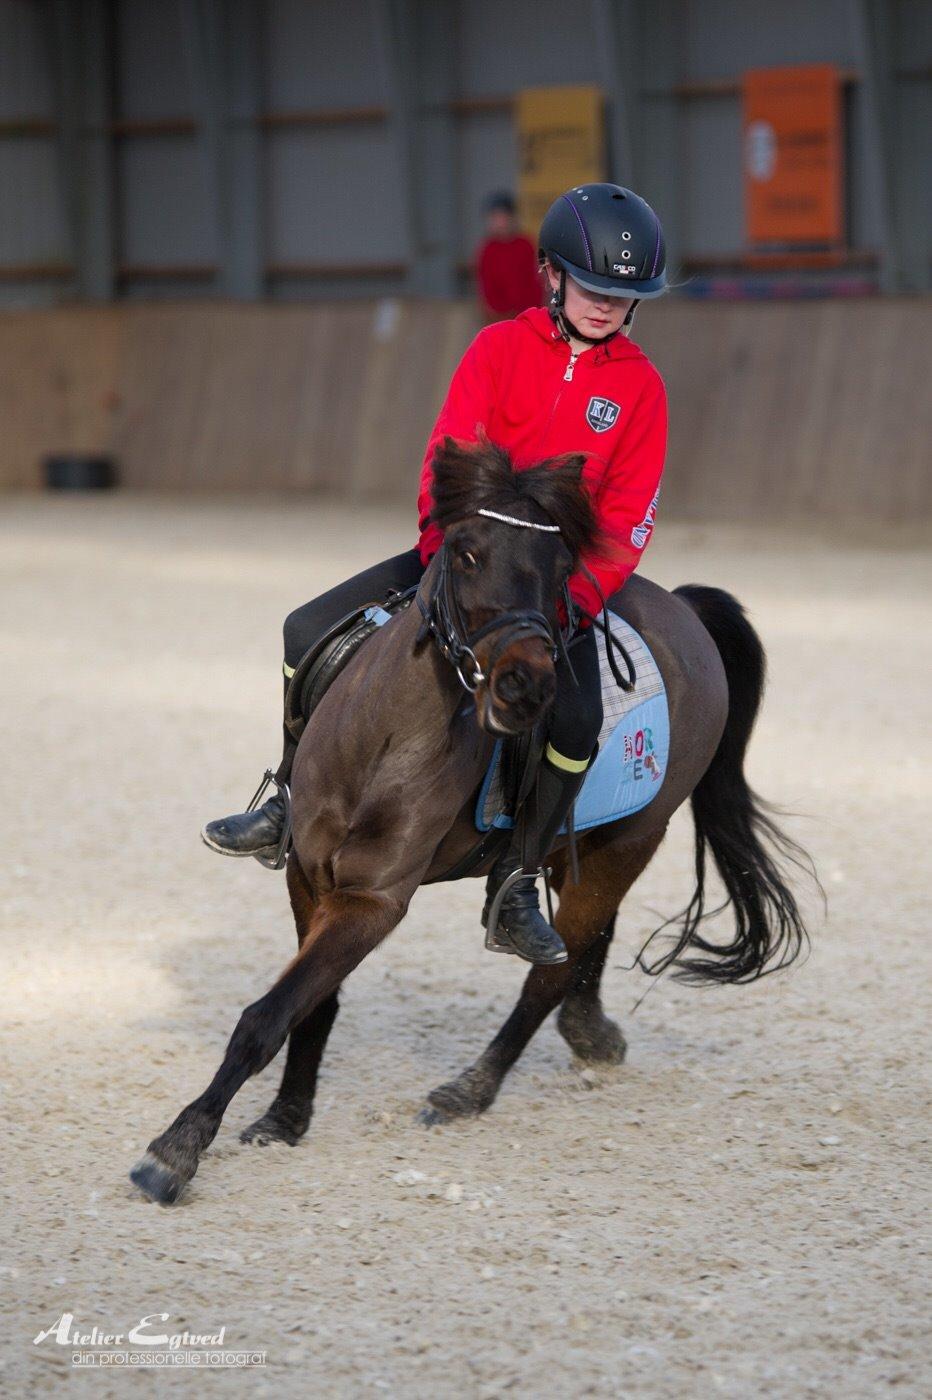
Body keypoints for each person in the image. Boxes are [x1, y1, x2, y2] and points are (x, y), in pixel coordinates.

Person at [203, 182, 669, 966]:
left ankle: (518, 879)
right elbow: (446, 456)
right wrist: (441, 550)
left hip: (552, 588)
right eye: (592, 288)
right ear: (552, 276)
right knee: (305, 629)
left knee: (577, 724)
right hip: (462, 559)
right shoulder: (497, 349)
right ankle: (286, 798)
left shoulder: (640, 388)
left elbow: (629, 519)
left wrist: (577, 598)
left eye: (624, 296)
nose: (606, 306)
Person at [475, 191, 543, 321]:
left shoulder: (525, 244)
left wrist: (532, 310)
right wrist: (495, 312)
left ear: (512, 218)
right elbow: (485, 285)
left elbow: (535, 279)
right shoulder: (487, 249)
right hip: (497, 316)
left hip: (527, 314)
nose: (499, 222)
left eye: (503, 217)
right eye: (495, 218)